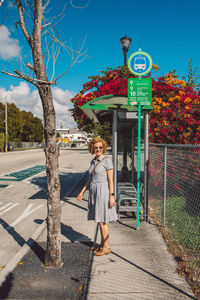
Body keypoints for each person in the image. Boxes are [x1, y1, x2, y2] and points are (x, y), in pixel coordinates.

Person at [77, 137, 118, 256]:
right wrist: (82, 191)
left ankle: (107, 247)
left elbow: (111, 180)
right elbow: (90, 179)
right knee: (99, 219)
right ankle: (102, 244)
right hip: (94, 192)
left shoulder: (107, 161)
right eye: (96, 147)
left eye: (100, 147)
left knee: (102, 220)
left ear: (103, 148)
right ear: (92, 148)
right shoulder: (93, 161)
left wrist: (111, 196)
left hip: (103, 192)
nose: (98, 149)